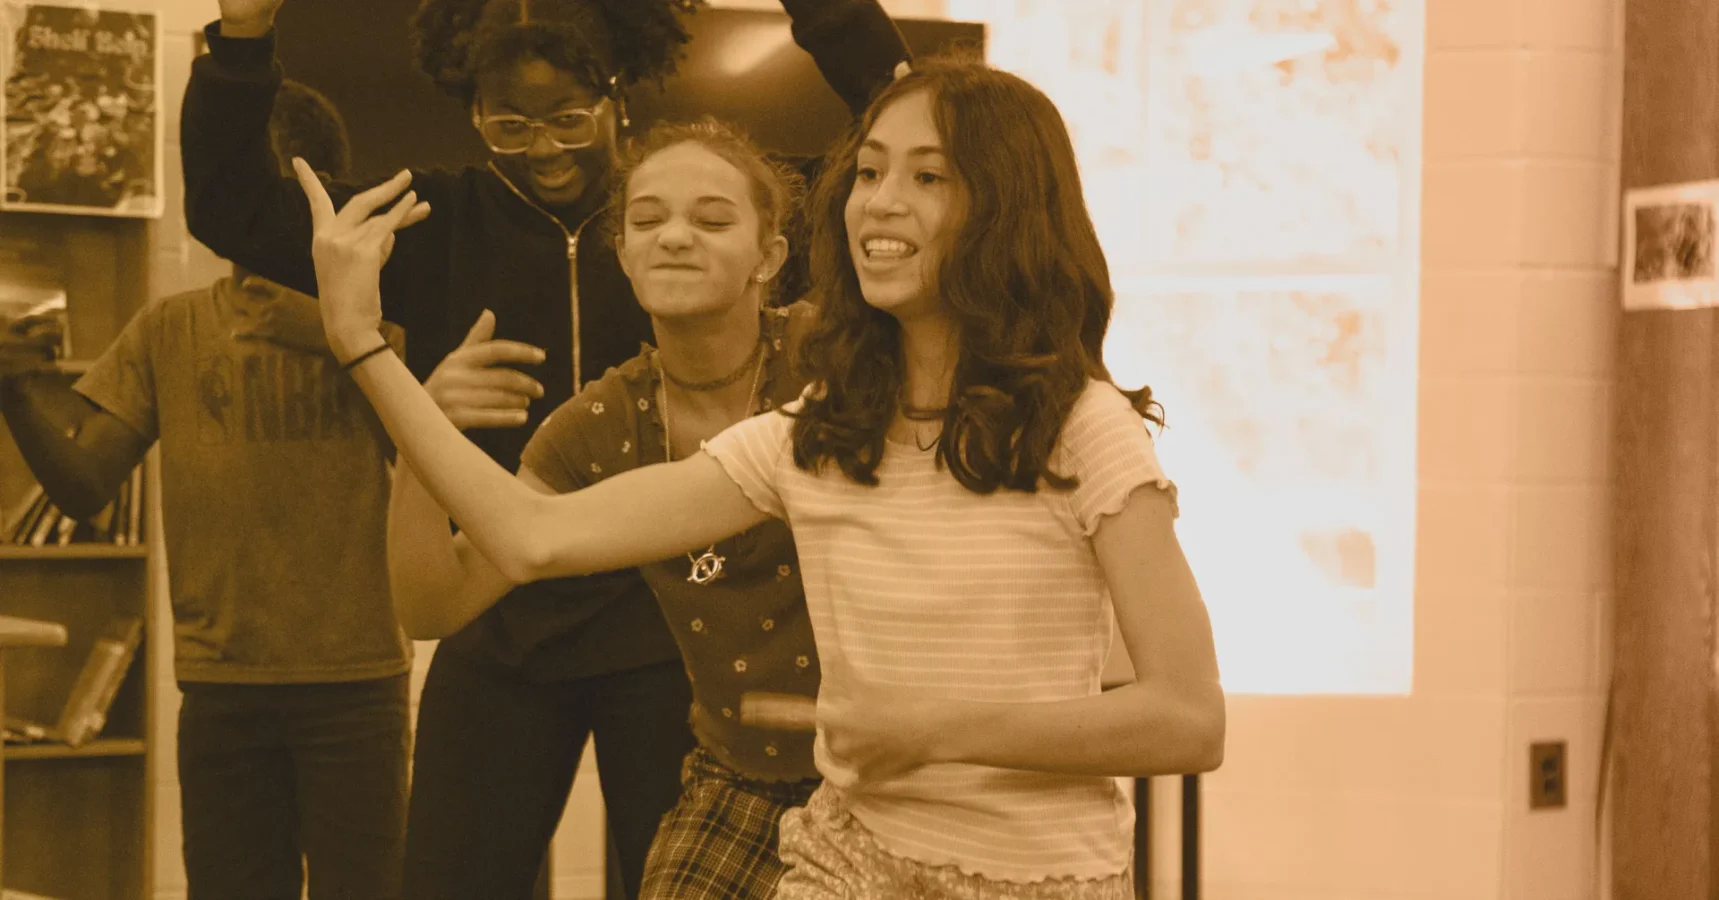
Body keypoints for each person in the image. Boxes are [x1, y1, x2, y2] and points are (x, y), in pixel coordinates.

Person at [298, 53, 1226, 900]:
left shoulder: (1083, 429)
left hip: (1036, 877)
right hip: (844, 854)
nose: (880, 201)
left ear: (1006, 209)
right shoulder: (813, 433)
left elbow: (1187, 720)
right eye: (867, 172)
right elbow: (529, 539)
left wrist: (931, 729)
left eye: (928, 175)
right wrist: (361, 346)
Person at [180, 0, 910, 895]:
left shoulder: (697, 228)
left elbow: (905, 140)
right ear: (474, 113)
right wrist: (242, 39)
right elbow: (229, 205)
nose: (544, 147)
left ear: (614, 101)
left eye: (569, 117)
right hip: (500, 608)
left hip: (674, 631)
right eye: (509, 124)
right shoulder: (434, 219)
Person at [394, 117, 828, 899]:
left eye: (712, 219)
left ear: (770, 256)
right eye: (648, 219)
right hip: (736, 777)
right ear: (622, 252)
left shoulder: (830, 360)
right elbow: (437, 600)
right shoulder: (602, 421)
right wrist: (423, 433)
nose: (674, 238)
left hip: (879, 761)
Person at [0, 80, 411, 900]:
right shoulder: (170, 327)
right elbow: (84, 488)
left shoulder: (385, 322)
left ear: (320, 191)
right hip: (222, 686)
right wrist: (13, 387)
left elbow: (448, 467)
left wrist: (342, 331)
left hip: (355, 682)